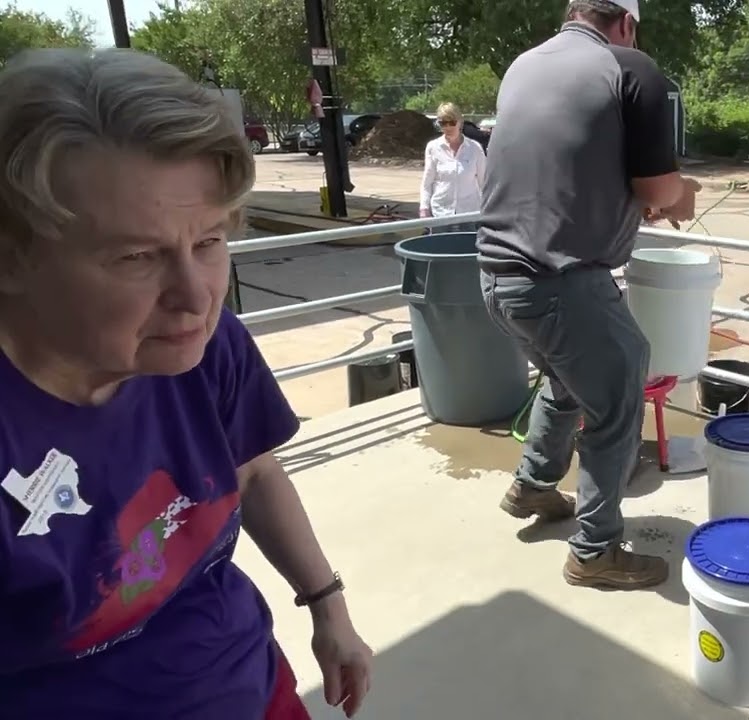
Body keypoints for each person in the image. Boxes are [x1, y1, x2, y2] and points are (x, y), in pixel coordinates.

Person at [0, 49, 373, 718]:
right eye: (138, 257)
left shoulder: (203, 347)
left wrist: (327, 605)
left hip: (253, 686)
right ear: (11, 257)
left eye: (208, 241)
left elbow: (252, 471)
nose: (197, 298)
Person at [477, 0, 701, 591]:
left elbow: (566, 165)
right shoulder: (631, 68)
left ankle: (534, 485)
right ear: (625, 24)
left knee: (564, 378)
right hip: (561, 283)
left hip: (497, 278)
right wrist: (681, 195)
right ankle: (595, 550)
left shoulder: (524, 65)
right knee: (620, 387)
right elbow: (658, 187)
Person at [419, 102, 486, 223]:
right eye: (443, 123)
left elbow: (485, 183)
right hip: (441, 213)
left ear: (460, 122)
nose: (448, 127)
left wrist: (489, 210)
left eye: (452, 122)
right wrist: (424, 208)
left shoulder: (475, 148)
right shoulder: (433, 148)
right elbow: (427, 183)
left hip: (469, 214)